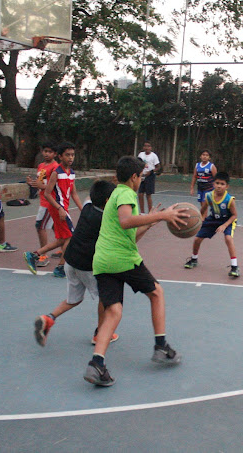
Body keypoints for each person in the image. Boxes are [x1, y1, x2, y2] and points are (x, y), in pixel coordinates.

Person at [84, 155, 189, 387]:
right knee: (156, 292)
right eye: (140, 176)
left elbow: (129, 231)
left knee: (113, 311)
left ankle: (96, 364)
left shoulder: (115, 196)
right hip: (122, 259)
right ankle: (161, 347)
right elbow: (125, 221)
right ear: (133, 177)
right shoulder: (126, 193)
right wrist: (162, 215)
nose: (141, 180)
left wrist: (150, 223)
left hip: (102, 260)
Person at [33, 180, 119, 347]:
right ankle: (100, 334)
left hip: (70, 261)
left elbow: (89, 196)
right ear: (108, 201)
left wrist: (102, 187)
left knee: (73, 299)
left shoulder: (87, 206)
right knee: (105, 298)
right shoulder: (106, 219)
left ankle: (48, 318)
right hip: (86, 266)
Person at [24, 142, 83, 278]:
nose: (70, 158)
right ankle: (60, 267)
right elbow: (47, 193)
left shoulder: (71, 173)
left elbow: (73, 193)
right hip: (57, 208)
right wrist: (59, 208)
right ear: (60, 157)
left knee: (62, 240)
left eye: (72, 155)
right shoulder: (57, 173)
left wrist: (82, 209)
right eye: (67, 155)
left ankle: (33, 255)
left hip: (63, 208)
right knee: (71, 238)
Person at [184, 171, 240, 278]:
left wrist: (224, 225)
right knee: (197, 239)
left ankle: (235, 267)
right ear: (213, 184)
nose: (219, 186)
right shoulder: (209, 196)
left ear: (227, 186)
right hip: (213, 219)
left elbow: (234, 215)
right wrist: (198, 221)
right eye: (217, 183)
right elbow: (204, 209)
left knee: (228, 239)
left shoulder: (229, 200)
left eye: (222, 184)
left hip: (228, 220)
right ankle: (194, 259)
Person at [26, 143, 59, 268]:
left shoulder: (56, 167)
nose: (46, 154)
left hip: (49, 201)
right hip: (43, 200)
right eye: (45, 151)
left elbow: (55, 186)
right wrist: (32, 183)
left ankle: (43, 255)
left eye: (50, 152)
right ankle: (64, 249)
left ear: (55, 154)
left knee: (40, 226)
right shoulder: (41, 166)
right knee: (56, 226)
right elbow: (41, 182)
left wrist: (42, 186)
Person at [189, 149, 217, 217]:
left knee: (204, 205)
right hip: (200, 188)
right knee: (202, 205)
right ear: (200, 156)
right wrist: (192, 187)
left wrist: (216, 190)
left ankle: (203, 221)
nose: (205, 156)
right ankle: (205, 218)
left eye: (207, 155)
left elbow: (216, 178)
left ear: (209, 158)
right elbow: (194, 176)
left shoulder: (211, 166)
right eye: (203, 155)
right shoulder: (197, 165)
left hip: (208, 189)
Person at [137, 141, 160, 213]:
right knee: (140, 194)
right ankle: (142, 212)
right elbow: (137, 163)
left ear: (151, 148)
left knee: (148, 194)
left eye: (148, 146)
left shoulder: (153, 156)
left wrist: (151, 171)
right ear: (143, 147)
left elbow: (158, 167)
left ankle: (150, 212)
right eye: (145, 146)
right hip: (141, 176)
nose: (146, 148)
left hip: (150, 176)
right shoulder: (141, 154)